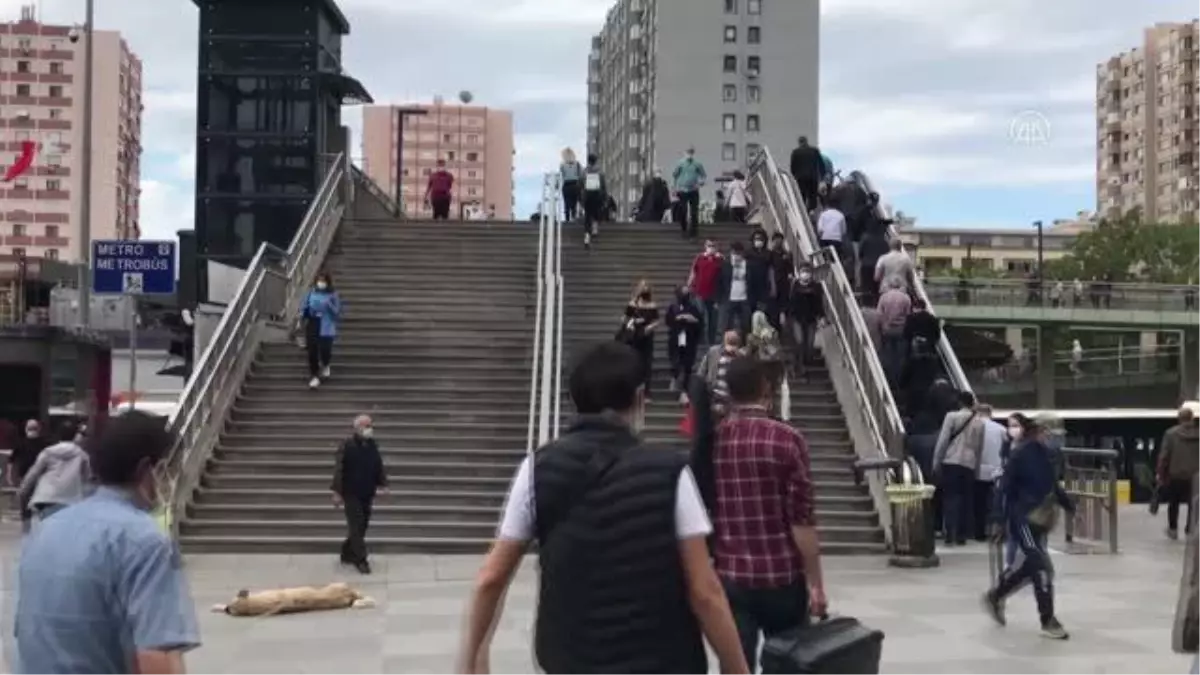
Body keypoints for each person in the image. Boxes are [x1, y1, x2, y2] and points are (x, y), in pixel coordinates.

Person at [459, 341, 750, 675]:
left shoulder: (537, 468)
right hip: (663, 661)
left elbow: (491, 578)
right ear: (640, 398)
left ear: (574, 400)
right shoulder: (671, 472)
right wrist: (735, 667)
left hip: (570, 659)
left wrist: (473, 662)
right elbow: (704, 590)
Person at [16, 411, 201, 673]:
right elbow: (156, 655)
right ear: (147, 469)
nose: (173, 477)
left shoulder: (45, 531)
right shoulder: (144, 541)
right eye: (170, 467)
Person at [712, 357, 827, 669]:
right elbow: (802, 520)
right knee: (789, 663)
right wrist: (816, 583)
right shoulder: (787, 439)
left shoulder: (713, 441)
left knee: (736, 664)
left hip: (731, 576)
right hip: (783, 577)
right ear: (765, 389)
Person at [982, 412, 1074, 641]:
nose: (1057, 439)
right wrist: (997, 519)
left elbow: (1052, 485)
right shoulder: (1021, 454)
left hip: (1040, 519)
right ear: (1042, 432)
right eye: (1054, 434)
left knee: (1031, 567)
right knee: (1041, 567)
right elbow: (1004, 488)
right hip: (1023, 519)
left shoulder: (1049, 455)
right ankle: (1048, 620)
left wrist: (1069, 505)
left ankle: (996, 595)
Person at [331, 414, 388, 574]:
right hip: (351, 492)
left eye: (370, 425)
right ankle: (360, 559)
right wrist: (337, 491)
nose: (369, 429)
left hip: (367, 491)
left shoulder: (372, 445)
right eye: (366, 426)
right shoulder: (347, 445)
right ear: (357, 428)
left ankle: (347, 551)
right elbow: (339, 470)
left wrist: (383, 484)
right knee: (356, 525)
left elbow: (378, 465)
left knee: (362, 525)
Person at [932, 390, 985, 546]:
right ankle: (962, 535)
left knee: (950, 498)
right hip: (969, 463)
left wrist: (936, 461)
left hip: (951, 461)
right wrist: (977, 468)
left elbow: (943, 441)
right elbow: (979, 448)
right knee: (966, 499)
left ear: (960, 402)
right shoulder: (979, 422)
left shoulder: (951, 417)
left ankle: (950, 533)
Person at [19, 421, 91, 526]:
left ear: (58, 435)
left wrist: (23, 491)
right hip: (70, 500)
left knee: (46, 530)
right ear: (75, 436)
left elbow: (33, 474)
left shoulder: (48, 452)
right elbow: (87, 479)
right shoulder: (82, 455)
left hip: (46, 498)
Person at [1158, 403, 1200, 540]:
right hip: (1196, 476)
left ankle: (1173, 529)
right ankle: (1190, 530)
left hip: (1175, 474)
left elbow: (1164, 456)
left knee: (1173, 502)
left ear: (1179, 418)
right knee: (1193, 504)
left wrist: (1161, 473)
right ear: (1192, 418)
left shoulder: (1170, 434)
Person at [621, 280, 661, 402]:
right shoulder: (632, 304)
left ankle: (646, 393)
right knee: (632, 363)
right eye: (642, 286)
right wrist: (630, 324)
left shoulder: (652, 305)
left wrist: (650, 327)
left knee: (647, 364)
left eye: (647, 287)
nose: (645, 289)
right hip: (634, 336)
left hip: (647, 337)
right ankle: (631, 391)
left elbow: (657, 320)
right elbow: (624, 318)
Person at [8, 418, 49, 532]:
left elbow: (11, 462)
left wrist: (10, 476)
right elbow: (12, 461)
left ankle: (28, 528)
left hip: (28, 478)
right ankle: (39, 527)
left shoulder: (21, 443)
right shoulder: (45, 444)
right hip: (38, 478)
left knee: (27, 504)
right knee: (39, 503)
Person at [302, 272, 341, 389]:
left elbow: (337, 313)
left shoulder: (333, 295)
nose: (321, 283)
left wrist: (329, 305)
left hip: (326, 325)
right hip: (313, 323)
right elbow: (303, 307)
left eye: (323, 281)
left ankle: (326, 364)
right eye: (319, 281)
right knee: (312, 351)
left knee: (325, 349)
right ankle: (314, 376)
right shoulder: (311, 293)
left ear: (327, 282)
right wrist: (308, 310)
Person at [974, 404, 1006, 542]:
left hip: (977, 470)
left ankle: (979, 532)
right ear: (990, 414)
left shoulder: (973, 428)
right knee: (995, 503)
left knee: (978, 503)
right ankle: (995, 530)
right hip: (997, 470)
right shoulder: (1001, 429)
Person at [789, 261, 824, 378]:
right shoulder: (795, 286)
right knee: (799, 341)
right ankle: (799, 366)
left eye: (807, 271)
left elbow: (819, 303)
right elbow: (791, 302)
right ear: (799, 273)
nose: (805, 274)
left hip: (811, 319)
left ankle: (806, 362)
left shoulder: (816, 287)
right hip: (797, 318)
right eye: (803, 271)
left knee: (809, 344)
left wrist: (821, 316)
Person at [667, 286, 702, 399]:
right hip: (676, 336)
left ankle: (685, 388)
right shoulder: (673, 307)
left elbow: (700, 322)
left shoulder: (693, 307)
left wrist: (692, 319)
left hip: (690, 337)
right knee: (675, 359)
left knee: (688, 363)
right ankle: (675, 376)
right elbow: (668, 321)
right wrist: (678, 318)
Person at [687, 238, 724, 345]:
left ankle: (711, 339)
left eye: (713, 246)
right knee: (701, 315)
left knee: (713, 318)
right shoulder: (699, 258)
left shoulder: (720, 259)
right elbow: (693, 272)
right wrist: (689, 284)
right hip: (699, 292)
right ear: (705, 246)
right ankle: (700, 338)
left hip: (714, 294)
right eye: (709, 245)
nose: (711, 248)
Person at [876, 277, 912, 388]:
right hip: (901, 329)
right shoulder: (906, 298)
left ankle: (887, 379)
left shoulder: (884, 297)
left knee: (888, 354)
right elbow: (908, 314)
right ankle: (899, 380)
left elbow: (879, 314)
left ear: (890, 285)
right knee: (900, 356)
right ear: (900, 285)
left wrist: (883, 325)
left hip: (887, 329)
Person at [699, 330, 744, 414]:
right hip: (714, 395)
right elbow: (702, 371)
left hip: (731, 398)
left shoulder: (741, 357)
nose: (732, 349)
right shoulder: (713, 352)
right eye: (730, 344)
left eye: (734, 345)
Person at [718, 241, 752, 336]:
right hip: (729, 297)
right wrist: (719, 298)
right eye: (734, 253)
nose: (736, 255)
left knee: (745, 324)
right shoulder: (726, 264)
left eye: (738, 253)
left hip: (744, 298)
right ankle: (726, 345)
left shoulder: (748, 265)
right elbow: (720, 281)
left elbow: (752, 281)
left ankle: (744, 345)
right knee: (727, 324)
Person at [672, 147, 707, 239]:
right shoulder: (680, 163)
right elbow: (675, 176)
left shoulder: (697, 164)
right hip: (682, 190)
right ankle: (684, 229)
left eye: (691, 153)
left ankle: (694, 232)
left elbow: (703, 175)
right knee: (683, 210)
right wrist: (674, 189)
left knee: (694, 211)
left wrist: (700, 182)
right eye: (688, 153)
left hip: (693, 190)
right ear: (684, 153)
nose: (689, 155)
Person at [789, 136, 824, 212]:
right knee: (812, 195)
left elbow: (792, 166)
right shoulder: (814, 150)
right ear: (806, 141)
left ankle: (803, 211)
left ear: (799, 142)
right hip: (813, 177)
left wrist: (794, 176)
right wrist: (822, 176)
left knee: (802, 195)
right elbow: (821, 164)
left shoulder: (795, 152)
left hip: (801, 178)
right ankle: (812, 211)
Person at [581, 152, 607, 248]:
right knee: (596, 212)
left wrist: (581, 197)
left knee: (587, 216)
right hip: (597, 195)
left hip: (587, 196)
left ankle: (587, 236)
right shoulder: (600, 172)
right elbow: (603, 185)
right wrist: (605, 197)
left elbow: (580, 184)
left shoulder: (584, 172)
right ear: (595, 161)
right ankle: (595, 228)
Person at [767, 232, 793, 328]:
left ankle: (784, 325)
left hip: (784, 283)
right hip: (774, 282)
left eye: (780, 240)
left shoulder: (787, 254)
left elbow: (790, 268)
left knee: (784, 304)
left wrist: (790, 273)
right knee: (774, 307)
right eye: (776, 240)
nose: (778, 242)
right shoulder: (770, 254)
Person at [559, 147, 583, 221]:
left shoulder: (562, 165)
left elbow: (561, 175)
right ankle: (573, 217)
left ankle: (567, 219)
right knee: (574, 203)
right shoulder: (577, 164)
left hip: (566, 185)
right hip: (575, 184)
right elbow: (581, 175)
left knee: (566, 203)